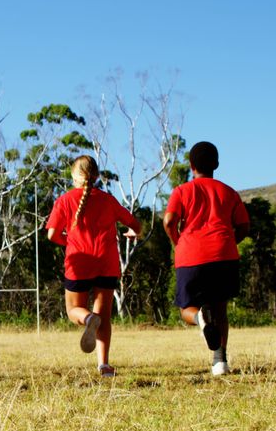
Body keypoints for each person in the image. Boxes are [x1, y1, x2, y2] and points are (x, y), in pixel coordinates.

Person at [46, 155, 141, 377]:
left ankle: (88, 319)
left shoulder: (65, 200)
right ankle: (104, 365)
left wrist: (67, 241)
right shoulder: (108, 200)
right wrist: (133, 232)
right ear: (97, 176)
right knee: (104, 317)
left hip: (79, 263)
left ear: (74, 177)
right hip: (106, 263)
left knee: (73, 310)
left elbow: (51, 234)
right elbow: (135, 224)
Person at [162, 141, 250, 376]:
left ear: (191, 166)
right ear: (217, 165)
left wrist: (177, 242)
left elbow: (169, 221)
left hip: (191, 254)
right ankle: (220, 362)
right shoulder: (229, 192)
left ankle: (199, 319)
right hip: (224, 254)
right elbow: (243, 225)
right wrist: (230, 242)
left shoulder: (181, 191)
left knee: (186, 309)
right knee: (220, 310)